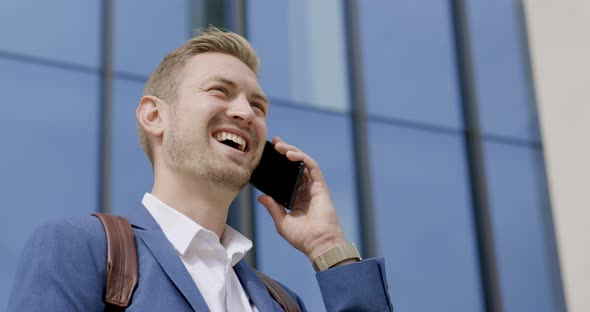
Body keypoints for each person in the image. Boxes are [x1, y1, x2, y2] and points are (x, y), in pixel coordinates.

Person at [7, 27, 393, 311]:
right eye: (219, 91)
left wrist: (328, 246)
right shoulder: (84, 248)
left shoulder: (282, 303)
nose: (245, 113)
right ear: (154, 115)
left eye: (258, 107)